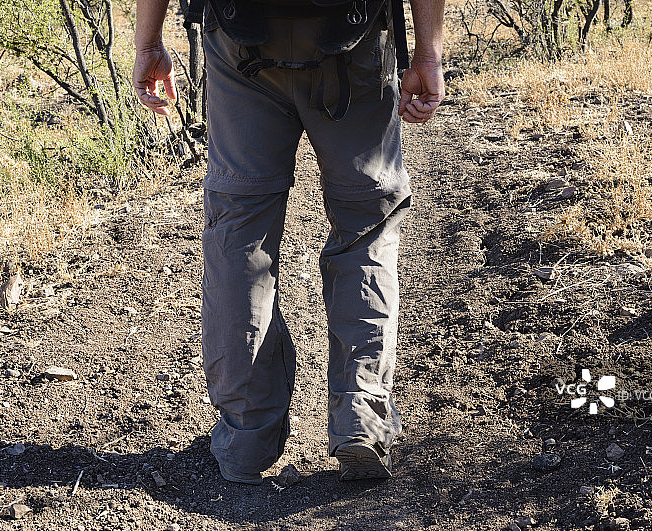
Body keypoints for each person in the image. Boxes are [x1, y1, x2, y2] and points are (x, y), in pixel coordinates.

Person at [133, 0, 444, 484]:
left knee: (240, 232)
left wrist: (148, 44)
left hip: (239, 39)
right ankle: (360, 418)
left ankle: (245, 436)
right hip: (353, 36)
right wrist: (428, 53)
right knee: (366, 227)